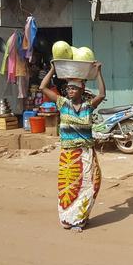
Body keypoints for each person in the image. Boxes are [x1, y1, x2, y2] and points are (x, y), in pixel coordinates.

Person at [40, 61, 106, 233]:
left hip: (86, 153)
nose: (70, 91)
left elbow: (102, 94)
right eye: (68, 88)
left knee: (92, 184)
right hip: (69, 154)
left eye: (74, 88)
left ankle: (80, 217)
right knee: (69, 187)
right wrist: (53, 69)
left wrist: (98, 72)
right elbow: (43, 87)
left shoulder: (88, 107)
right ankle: (69, 219)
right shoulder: (62, 104)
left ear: (82, 90)